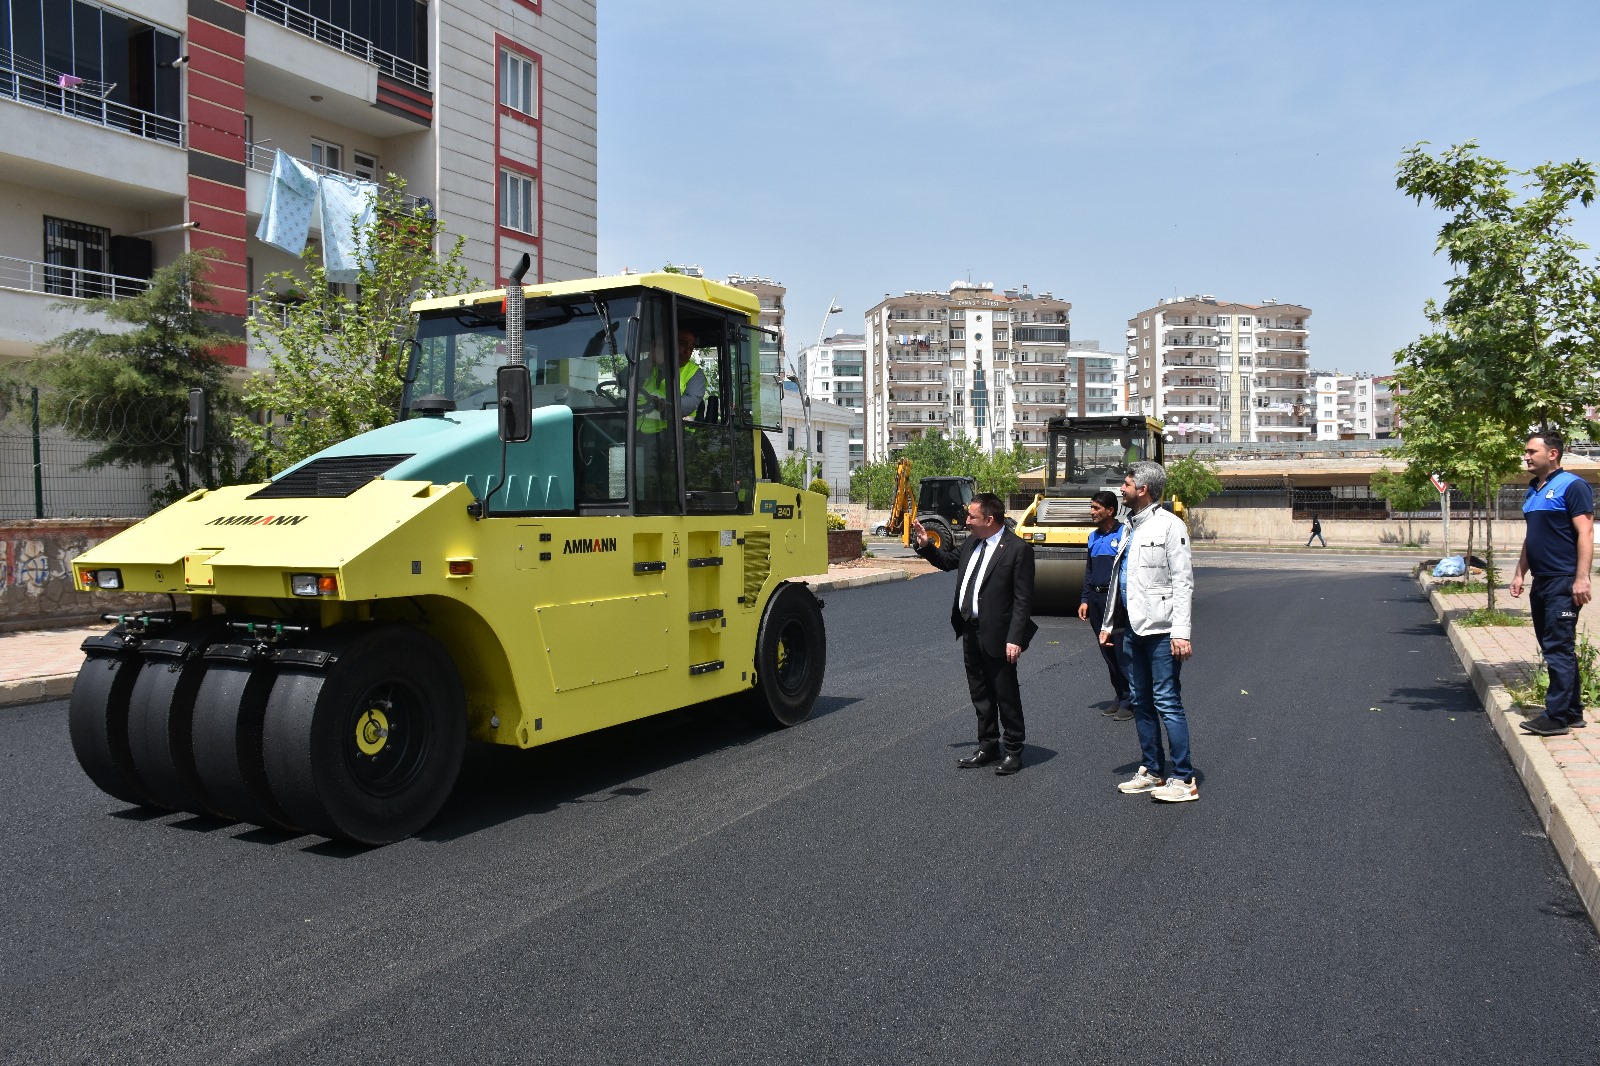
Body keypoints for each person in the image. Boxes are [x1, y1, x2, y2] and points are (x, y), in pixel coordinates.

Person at [914, 493, 1038, 775]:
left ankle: (1014, 749)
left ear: (990, 519)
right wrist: (926, 545)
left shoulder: (1018, 550)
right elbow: (947, 561)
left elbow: (1023, 600)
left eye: (972, 517)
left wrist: (1015, 638)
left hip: (999, 634)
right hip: (970, 630)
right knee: (980, 693)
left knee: (1005, 693)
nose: (967, 521)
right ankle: (988, 745)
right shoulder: (972, 542)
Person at [1102, 461, 1198, 802]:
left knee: (1167, 701)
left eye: (1126, 484)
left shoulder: (1171, 526)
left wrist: (1181, 633)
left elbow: (1183, 582)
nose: (1122, 489)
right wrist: (1108, 623)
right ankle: (1154, 771)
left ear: (1142, 490)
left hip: (1162, 631)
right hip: (1133, 630)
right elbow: (1120, 577)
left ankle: (1183, 778)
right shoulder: (1129, 527)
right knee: (1141, 700)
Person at [1511, 430, 1594, 736]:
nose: (1526, 456)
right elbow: (1531, 539)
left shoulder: (1573, 486)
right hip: (1541, 581)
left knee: (1558, 646)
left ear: (1553, 454)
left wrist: (1581, 578)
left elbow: (1585, 533)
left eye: (1532, 451)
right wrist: (1520, 573)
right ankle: (1572, 712)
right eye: (1526, 451)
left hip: (1563, 580)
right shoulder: (1533, 490)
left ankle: (1556, 716)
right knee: (1553, 646)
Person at [1078, 490, 1132, 720]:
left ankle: (1130, 701)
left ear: (1110, 510)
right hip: (1097, 600)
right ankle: (1119, 694)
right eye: (1092, 507)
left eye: (1096, 508)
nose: (1092, 512)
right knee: (1106, 651)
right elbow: (1089, 571)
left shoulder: (1124, 535)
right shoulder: (1092, 537)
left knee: (1120, 651)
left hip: (1116, 601)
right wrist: (1085, 599)